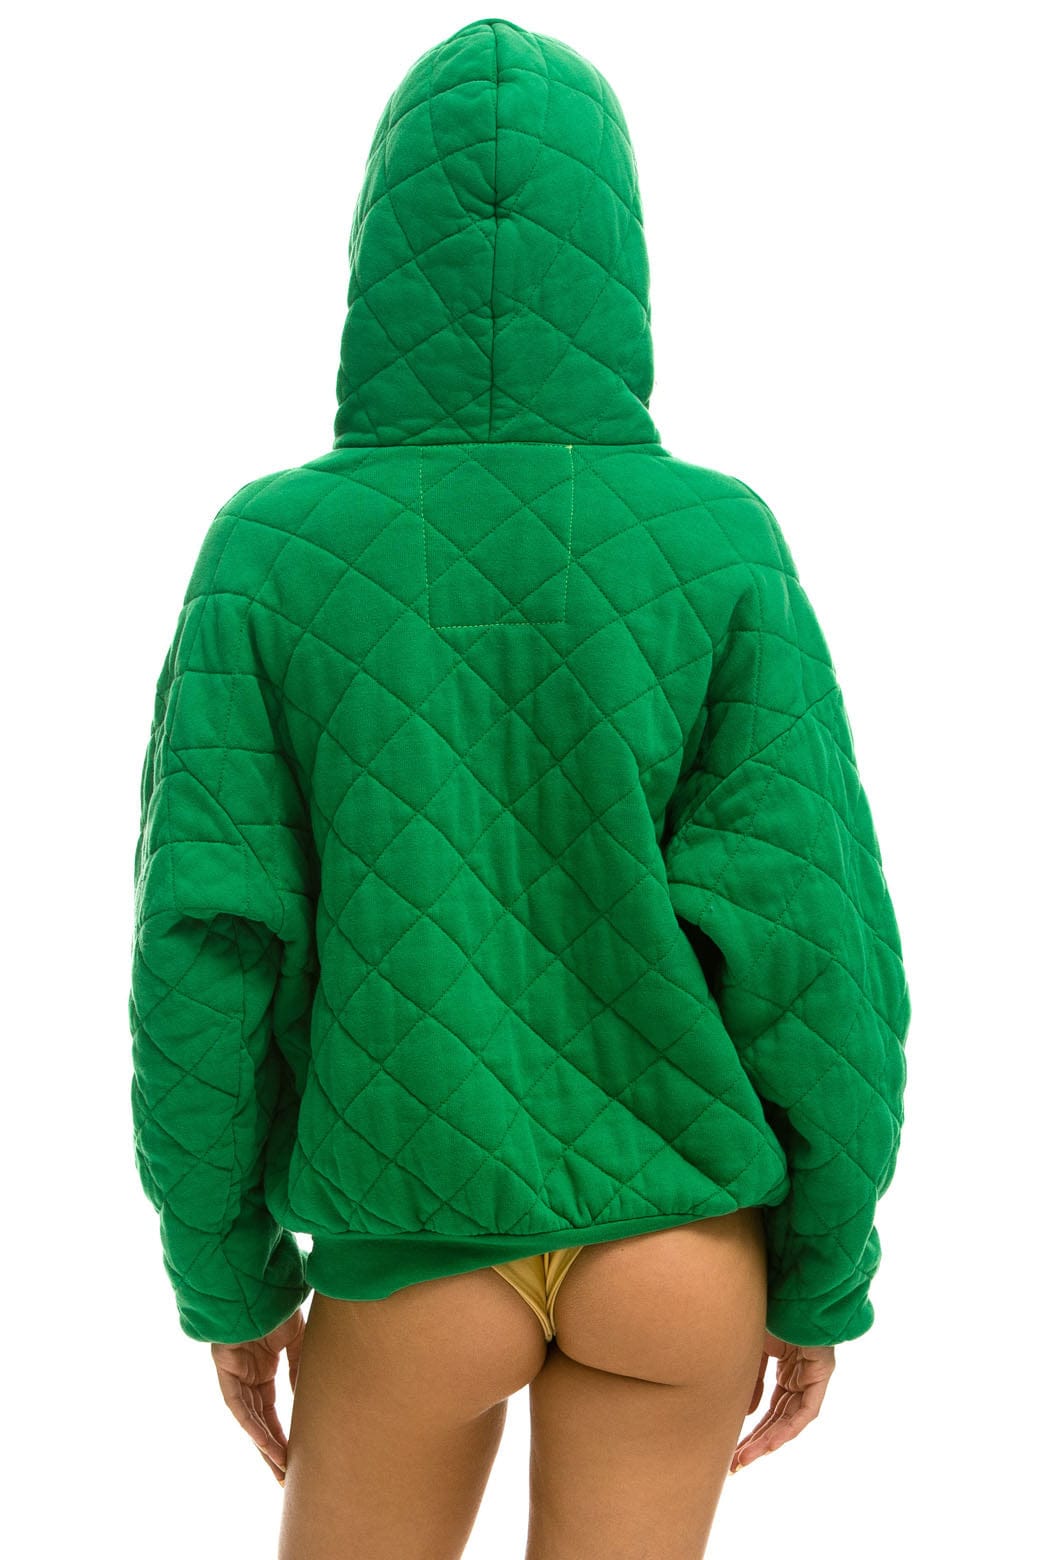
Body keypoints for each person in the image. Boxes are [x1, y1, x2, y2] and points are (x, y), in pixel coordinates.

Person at [127, 16, 911, 1560]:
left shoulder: (268, 552)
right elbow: (821, 954)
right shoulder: (720, 544)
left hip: (407, 1246)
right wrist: (823, 1272)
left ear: (378, 249)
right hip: (680, 1240)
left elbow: (203, 950)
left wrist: (230, 1278)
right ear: (618, 253)